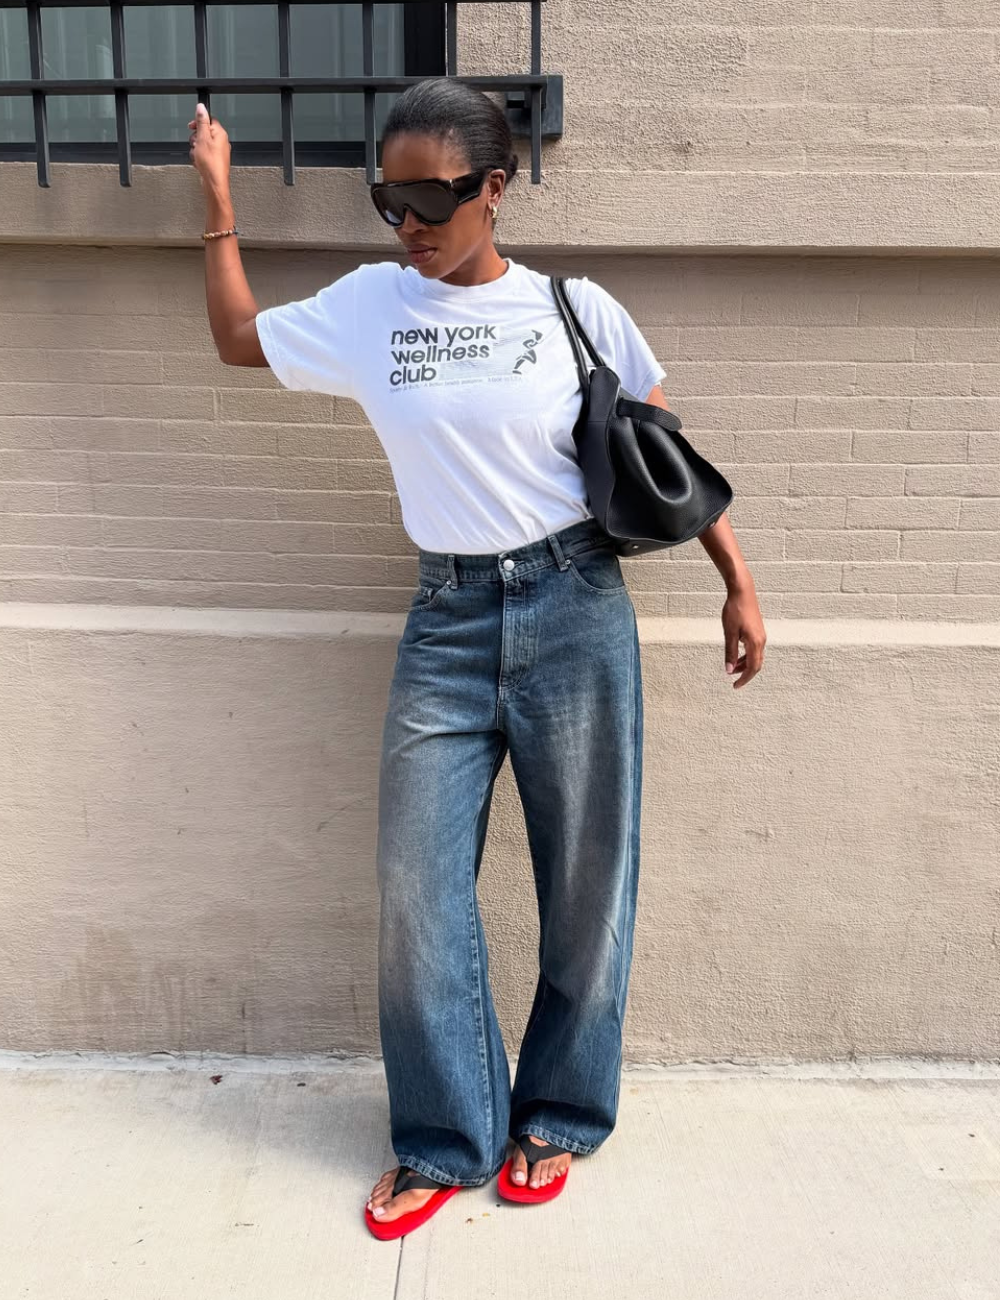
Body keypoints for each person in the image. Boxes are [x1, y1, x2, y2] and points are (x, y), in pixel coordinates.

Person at [189, 77, 766, 1240]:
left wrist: (736, 580)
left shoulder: (576, 309)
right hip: (445, 620)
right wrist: (216, 202)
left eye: (431, 199)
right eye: (387, 199)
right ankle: (446, 1135)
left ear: (494, 189)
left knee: (587, 877)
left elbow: (661, 455)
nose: (408, 223)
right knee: (415, 886)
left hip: (572, 607)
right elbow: (240, 341)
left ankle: (556, 1112)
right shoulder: (369, 306)